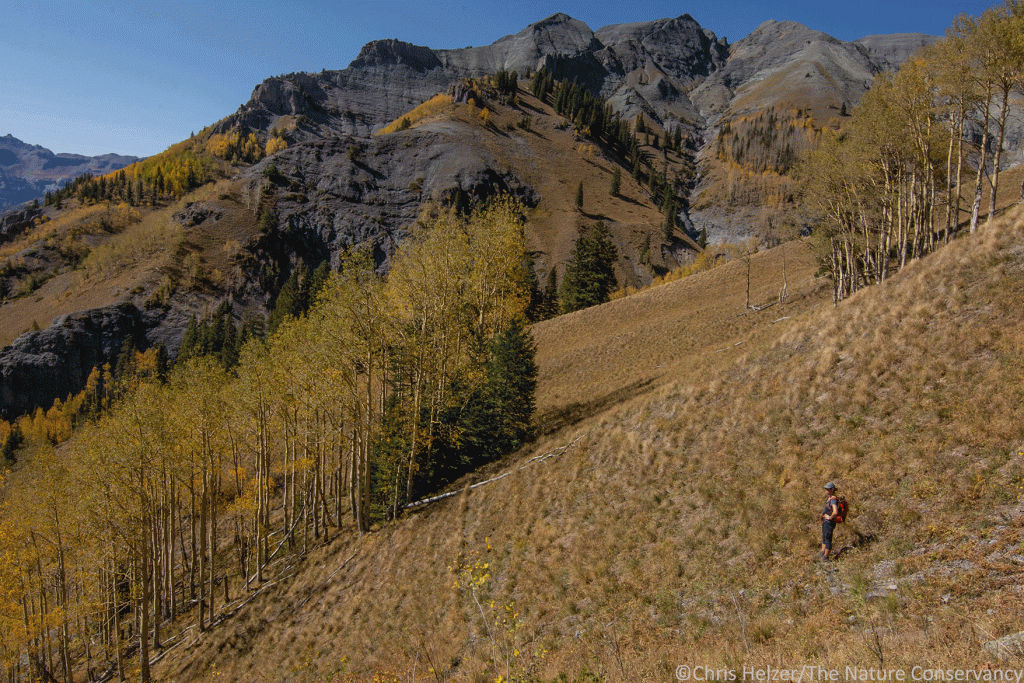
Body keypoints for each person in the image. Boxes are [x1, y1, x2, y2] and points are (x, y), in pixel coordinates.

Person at [819, 482, 839, 561]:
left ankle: (825, 557)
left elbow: (835, 512)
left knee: (827, 538)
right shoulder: (829, 498)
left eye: (827, 489)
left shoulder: (833, 500)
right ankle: (822, 552)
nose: (825, 490)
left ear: (832, 489)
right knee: (824, 536)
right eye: (825, 489)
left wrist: (830, 517)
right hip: (825, 521)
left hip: (829, 522)